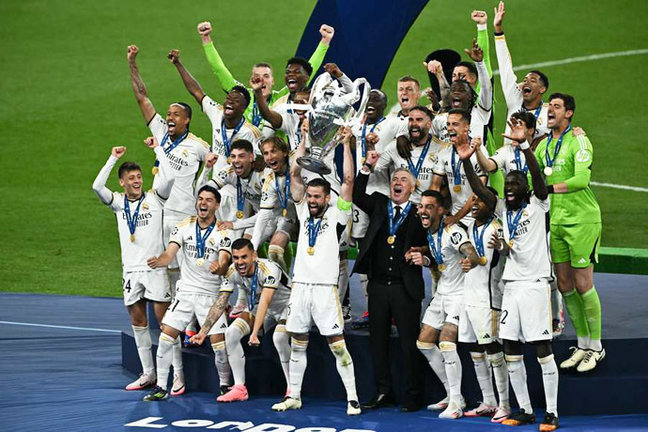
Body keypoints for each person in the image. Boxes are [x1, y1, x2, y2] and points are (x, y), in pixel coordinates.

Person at [461, 117, 560, 431]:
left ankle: (553, 413)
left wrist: (526, 146)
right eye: (507, 188)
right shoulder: (503, 208)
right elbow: (481, 189)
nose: (510, 191)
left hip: (535, 285)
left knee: (542, 349)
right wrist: (466, 162)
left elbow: (538, 180)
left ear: (526, 189)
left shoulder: (539, 205)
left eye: (515, 187)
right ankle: (525, 410)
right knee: (510, 347)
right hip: (511, 288)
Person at [128, 44, 211, 384]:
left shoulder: (200, 147)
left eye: (176, 114)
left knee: (185, 278)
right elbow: (142, 97)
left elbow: (217, 178)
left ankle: (193, 331)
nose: (170, 118)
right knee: (163, 285)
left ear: (188, 119)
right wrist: (132, 62)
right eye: (169, 115)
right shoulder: (161, 134)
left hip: (183, 220)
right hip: (155, 222)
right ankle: (166, 367)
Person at [270, 127, 360, 415]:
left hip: (324, 290)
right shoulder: (302, 212)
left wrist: (346, 144)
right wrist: (304, 140)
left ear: (326, 198)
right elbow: (296, 175)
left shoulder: (337, 215)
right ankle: (294, 395)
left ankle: (353, 398)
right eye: (309, 196)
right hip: (300, 287)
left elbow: (348, 180)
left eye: (317, 197)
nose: (311, 200)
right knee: (298, 343)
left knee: (337, 345)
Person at [92, 139, 175, 391]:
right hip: (131, 271)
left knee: (166, 324)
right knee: (138, 323)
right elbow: (97, 186)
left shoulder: (155, 198)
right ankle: (148, 373)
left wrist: (158, 150)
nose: (137, 181)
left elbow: (169, 177)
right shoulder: (118, 203)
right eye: (131, 178)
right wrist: (112, 158)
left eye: (139, 177)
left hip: (154, 269)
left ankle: (176, 374)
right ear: (122, 182)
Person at [142, 185, 234, 401]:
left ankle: (224, 385)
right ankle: (161, 388)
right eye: (200, 199)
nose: (203, 203)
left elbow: (224, 261)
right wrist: (159, 261)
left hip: (210, 294)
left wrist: (219, 268)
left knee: (219, 345)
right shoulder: (183, 226)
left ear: (217, 204)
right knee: (166, 337)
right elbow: (168, 254)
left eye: (209, 200)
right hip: (185, 292)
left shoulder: (224, 231)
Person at [534, 93, 604, 372]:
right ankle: (583, 343)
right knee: (564, 285)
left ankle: (597, 347)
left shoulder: (579, 140)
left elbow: (581, 179)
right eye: (549, 106)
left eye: (557, 106)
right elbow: (533, 175)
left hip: (583, 221)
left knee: (584, 284)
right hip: (558, 222)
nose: (551, 109)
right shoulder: (543, 147)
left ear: (569, 114)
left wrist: (548, 188)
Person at [354, 156, 429, 412]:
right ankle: (383, 391)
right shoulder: (379, 204)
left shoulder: (421, 212)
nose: (398, 183)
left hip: (404, 288)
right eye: (395, 179)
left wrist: (423, 253)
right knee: (378, 342)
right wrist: (366, 167)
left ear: (412, 188)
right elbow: (356, 194)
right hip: (377, 286)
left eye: (403, 180)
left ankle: (414, 395)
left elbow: (433, 239)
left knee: (409, 344)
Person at [189, 238, 292, 403]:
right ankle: (239, 388)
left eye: (244, 257)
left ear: (254, 256)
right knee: (231, 333)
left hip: (287, 306)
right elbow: (221, 302)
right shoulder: (232, 271)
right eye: (236, 258)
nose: (240, 262)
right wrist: (203, 332)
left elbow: (266, 301)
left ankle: (292, 387)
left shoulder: (269, 269)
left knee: (279, 338)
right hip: (259, 306)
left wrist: (254, 334)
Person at [415, 190, 479, 419]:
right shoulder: (431, 232)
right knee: (424, 343)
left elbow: (469, 251)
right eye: (421, 206)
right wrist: (425, 260)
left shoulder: (452, 231)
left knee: (446, 342)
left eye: (429, 207)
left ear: (441, 211)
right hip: (442, 293)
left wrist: (469, 261)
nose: (423, 211)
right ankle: (453, 395)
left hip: (459, 296)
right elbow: (440, 259)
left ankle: (455, 403)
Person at [197, 21, 334, 127]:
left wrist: (325, 41)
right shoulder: (243, 96)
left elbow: (306, 73)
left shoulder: (282, 97)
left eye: (266, 76)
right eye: (257, 76)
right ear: (251, 79)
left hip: (275, 158)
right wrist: (206, 38)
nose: (261, 80)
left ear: (273, 81)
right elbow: (219, 70)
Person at [458, 191, 510, 422]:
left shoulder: (496, 228)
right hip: (469, 296)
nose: (474, 203)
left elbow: (499, 259)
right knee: (475, 350)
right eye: (472, 200)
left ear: (491, 205)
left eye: (479, 200)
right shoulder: (471, 227)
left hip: (488, 299)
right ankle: (488, 401)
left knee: (493, 351)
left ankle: (505, 404)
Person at [167, 49, 261, 174]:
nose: (229, 102)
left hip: (239, 188)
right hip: (217, 186)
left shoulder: (250, 132)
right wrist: (178, 63)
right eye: (228, 98)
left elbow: (261, 162)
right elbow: (196, 91)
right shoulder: (217, 113)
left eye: (236, 101)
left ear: (243, 108)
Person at [493, 1, 550, 144]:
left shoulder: (549, 112)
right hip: (507, 164)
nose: (526, 82)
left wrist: (577, 132)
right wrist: (498, 29)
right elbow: (505, 67)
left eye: (533, 80)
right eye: (525, 79)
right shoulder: (515, 100)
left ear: (542, 89)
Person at [374, 105, 446, 203]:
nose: (414, 124)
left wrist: (433, 203)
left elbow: (448, 184)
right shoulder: (395, 146)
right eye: (411, 120)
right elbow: (376, 168)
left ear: (429, 124)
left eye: (419, 120)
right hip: (402, 208)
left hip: (427, 209)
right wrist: (371, 149)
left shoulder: (441, 148)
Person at [196, 139, 265, 240]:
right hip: (257, 215)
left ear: (251, 157)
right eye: (233, 156)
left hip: (274, 215)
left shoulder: (262, 176)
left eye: (241, 156)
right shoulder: (229, 172)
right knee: (241, 245)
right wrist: (207, 169)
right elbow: (201, 193)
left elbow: (267, 213)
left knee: (250, 246)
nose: (236, 160)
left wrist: (234, 225)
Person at [430, 109, 488, 225]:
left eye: (455, 124)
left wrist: (457, 217)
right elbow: (435, 187)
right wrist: (431, 208)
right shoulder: (444, 153)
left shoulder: (478, 152)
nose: (450, 128)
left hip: (477, 218)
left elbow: (478, 192)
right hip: (454, 216)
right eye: (448, 124)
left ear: (466, 127)